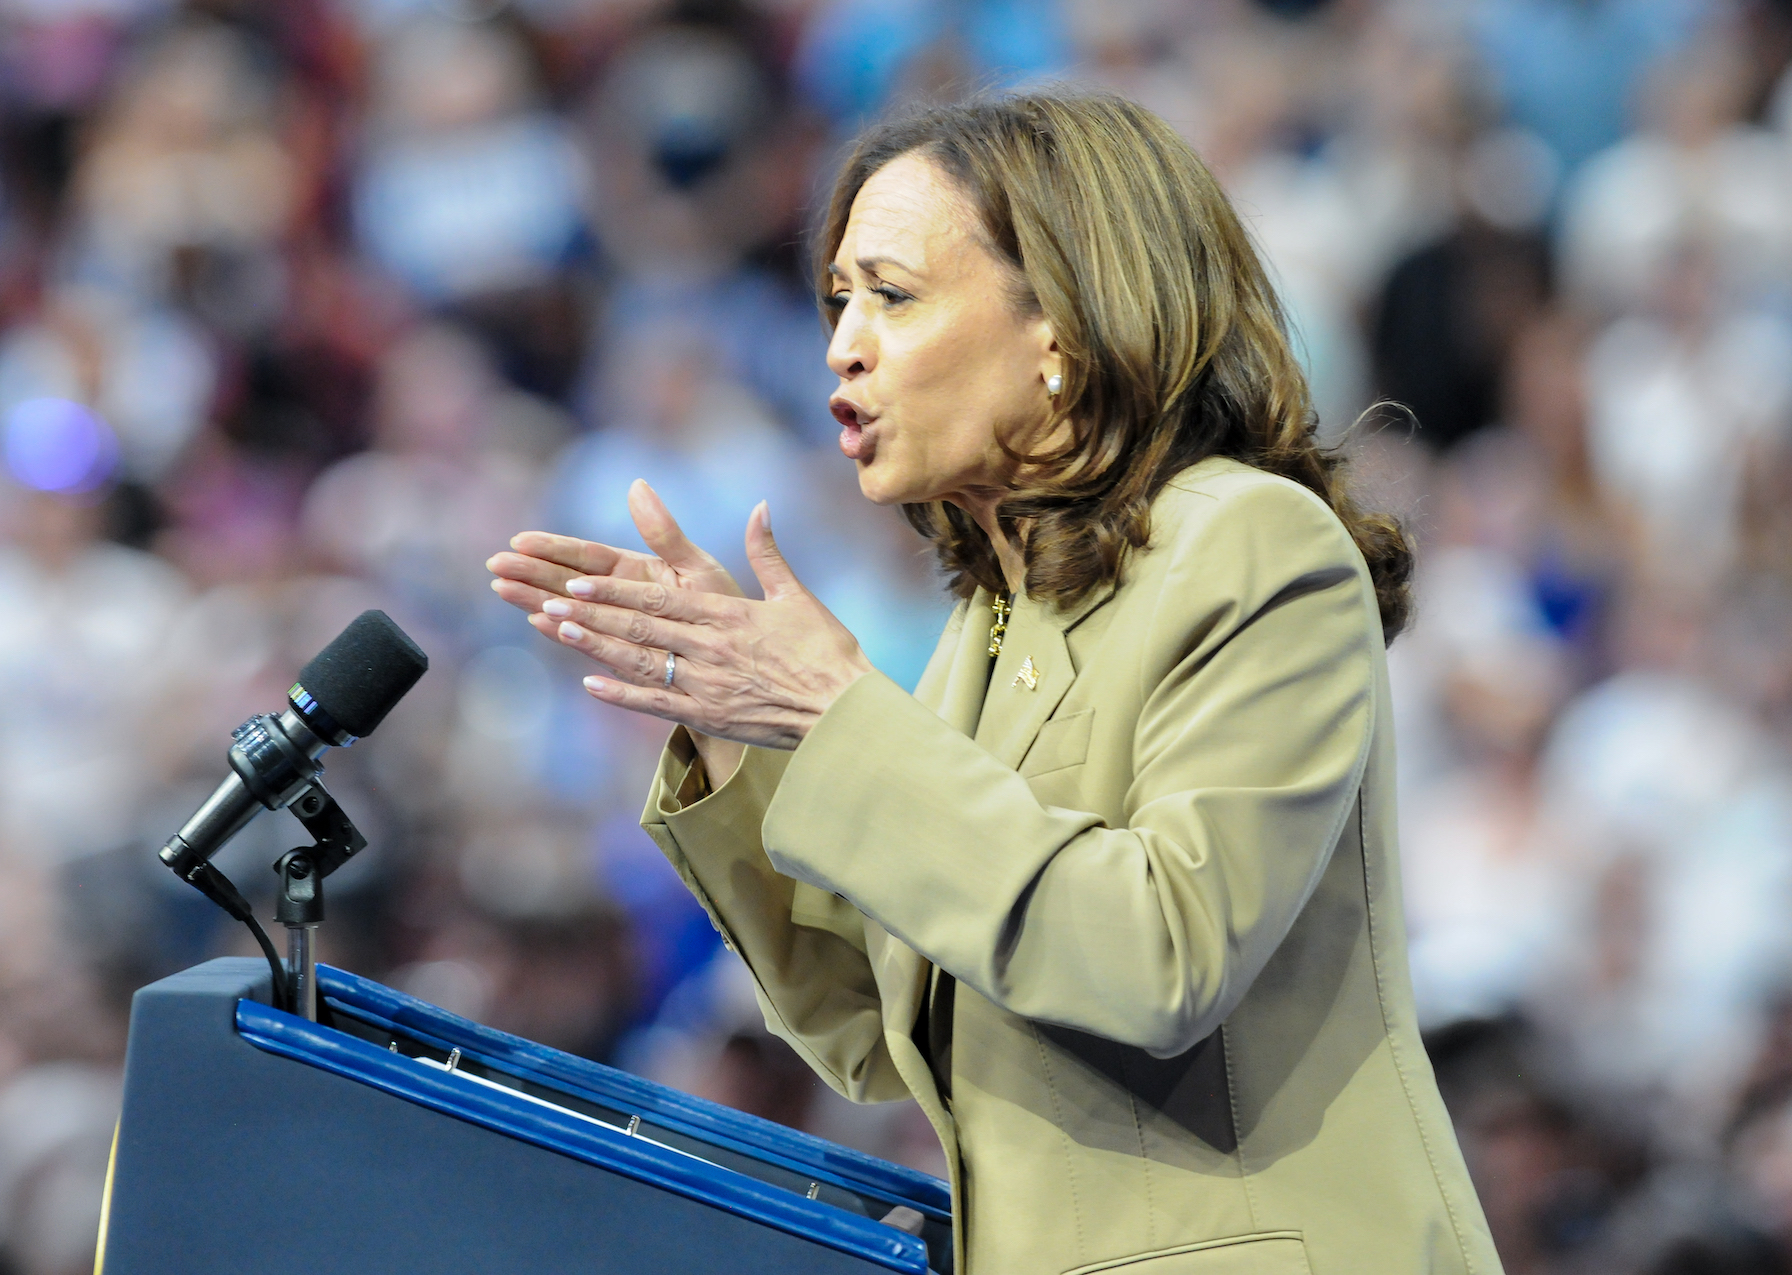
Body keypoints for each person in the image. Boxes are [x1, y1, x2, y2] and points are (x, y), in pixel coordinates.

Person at [488, 90, 1502, 1275]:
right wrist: (732, 731)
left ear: (1061, 329)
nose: (842, 345)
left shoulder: (1251, 543)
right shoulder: (989, 624)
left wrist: (833, 713)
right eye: (836, 301)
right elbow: (872, 1034)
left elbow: (1159, 956)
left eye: (893, 295)